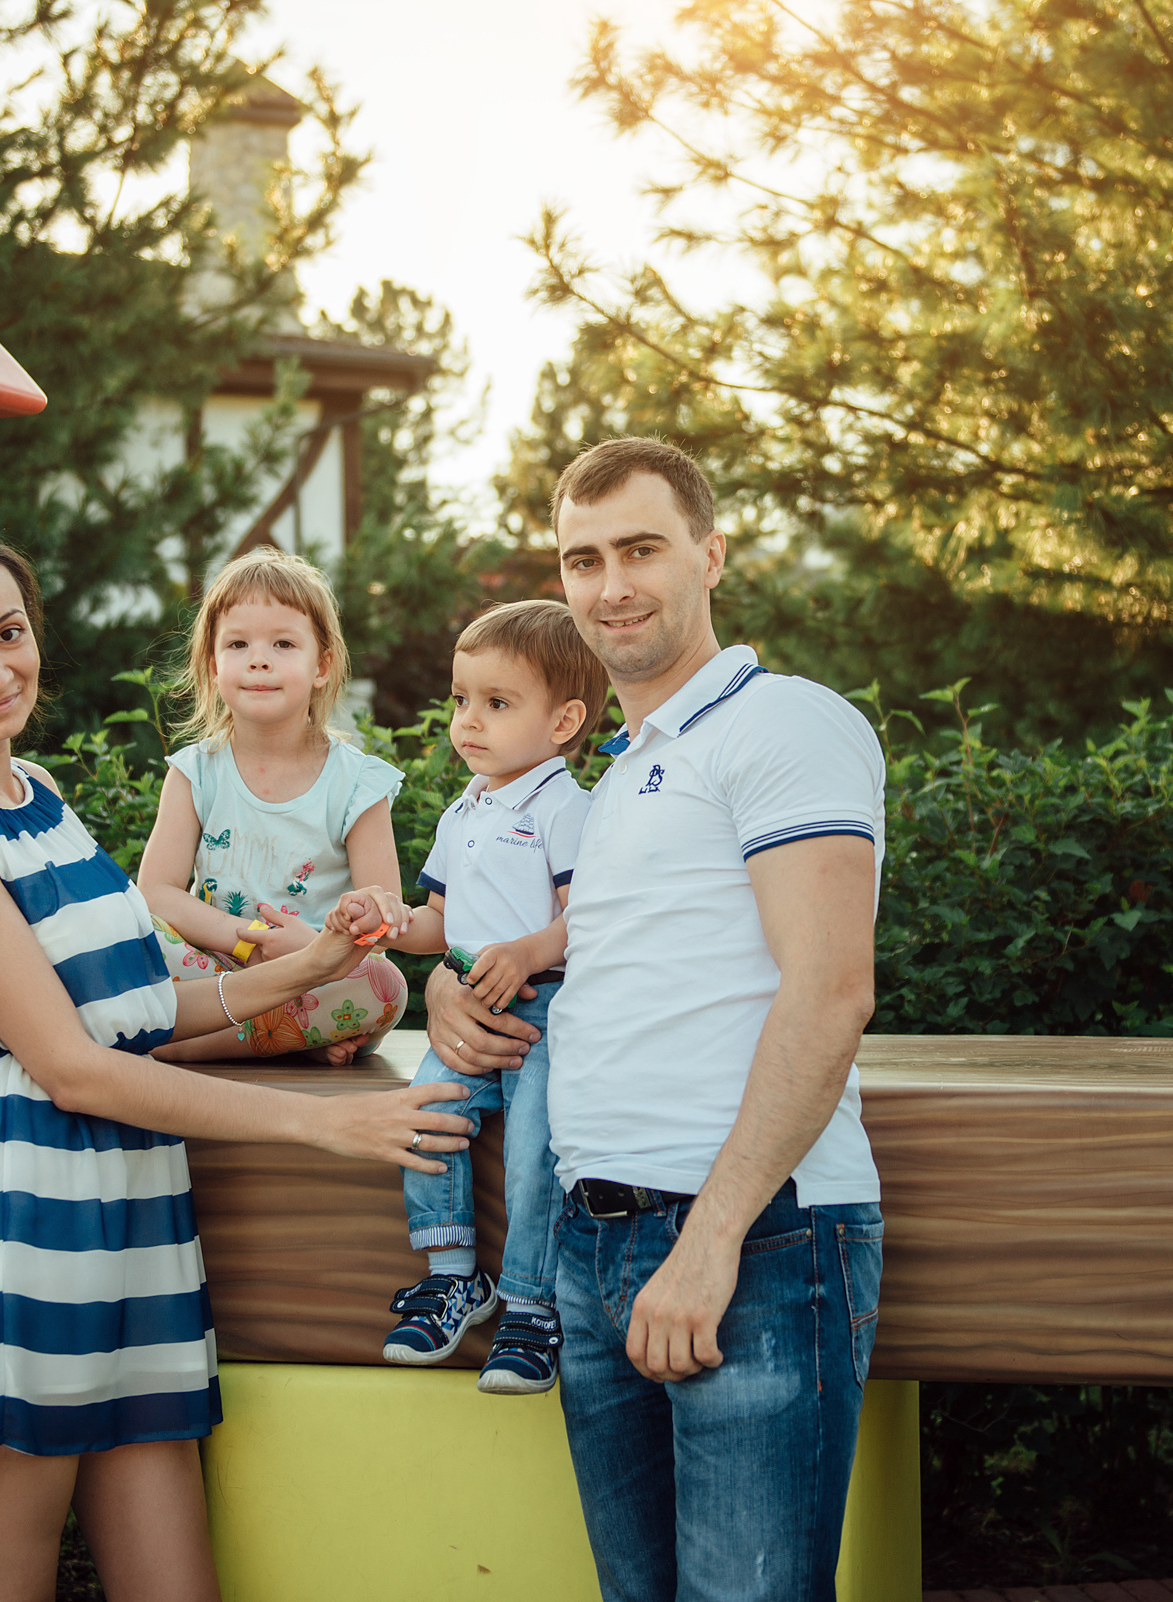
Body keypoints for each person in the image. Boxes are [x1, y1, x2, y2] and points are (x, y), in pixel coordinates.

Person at [0, 521, 471, 1602]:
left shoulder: (39, 797)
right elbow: (69, 1066)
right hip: (13, 1209)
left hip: (134, 1201)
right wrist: (322, 1122)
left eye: (7, 634)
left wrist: (319, 965)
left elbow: (140, 1015)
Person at [423, 440, 887, 1601]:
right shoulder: (621, 772)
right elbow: (578, 962)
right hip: (591, 1241)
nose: (610, 584)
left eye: (641, 549)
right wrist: (447, 983)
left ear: (710, 555)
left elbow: (831, 992)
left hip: (756, 1241)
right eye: (584, 559)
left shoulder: (784, 723)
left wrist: (713, 1239)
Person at [350, 599, 606, 1393]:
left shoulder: (568, 809)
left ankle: (532, 1306)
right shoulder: (465, 810)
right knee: (426, 1112)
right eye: (462, 699)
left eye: (497, 704)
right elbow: (439, 922)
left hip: (544, 1016)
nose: (468, 721)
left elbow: (588, 919)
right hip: (467, 1012)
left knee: (535, 1149)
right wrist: (391, 922)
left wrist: (529, 950)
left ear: (563, 721)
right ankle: (455, 1276)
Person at [136, 546, 416, 1063]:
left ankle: (187, 1048)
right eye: (238, 643)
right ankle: (286, 1040)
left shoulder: (357, 784)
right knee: (129, 928)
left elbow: (381, 922)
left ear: (322, 666)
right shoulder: (195, 772)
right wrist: (243, 940)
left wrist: (314, 949)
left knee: (383, 985)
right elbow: (155, 891)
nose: (259, 658)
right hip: (214, 965)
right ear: (213, 666)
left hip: (313, 970)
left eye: (284, 643)